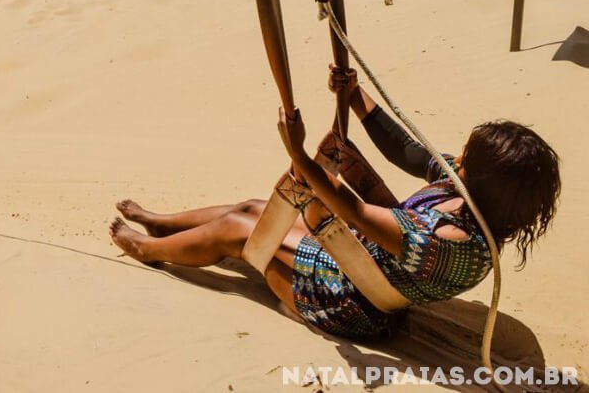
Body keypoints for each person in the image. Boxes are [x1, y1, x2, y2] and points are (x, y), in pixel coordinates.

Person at [109, 66, 561, 338]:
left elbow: (355, 214)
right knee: (253, 208)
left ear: (484, 181)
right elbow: (411, 153)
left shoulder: (450, 242)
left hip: (347, 301)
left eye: (465, 159)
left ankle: (148, 250)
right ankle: (164, 223)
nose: (455, 159)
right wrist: (356, 97)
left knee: (241, 232)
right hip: (360, 263)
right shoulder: (468, 197)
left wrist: (300, 155)